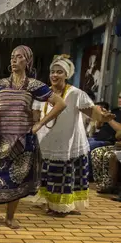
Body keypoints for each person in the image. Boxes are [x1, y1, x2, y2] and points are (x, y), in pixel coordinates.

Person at [0, 45, 67, 229]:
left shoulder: (34, 85)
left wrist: (40, 123)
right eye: (12, 57)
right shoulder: (1, 84)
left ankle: (9, 217)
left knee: (16, 178)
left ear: (27, 61)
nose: (14, 60)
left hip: (22, 140)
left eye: (19, 57)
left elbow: (60, 104)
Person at [34, 55, 114, 215]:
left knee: (64, 176)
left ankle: (62, 207)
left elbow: (92, 112)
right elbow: (35, 115)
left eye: (59, 72)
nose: (55, 75)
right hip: (48, 142)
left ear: (66, 75)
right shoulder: (43, 93)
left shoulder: (75, 93)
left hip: (69, 142)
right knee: (49, 175)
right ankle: (51, 203)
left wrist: (104, 117)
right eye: (53, 72)